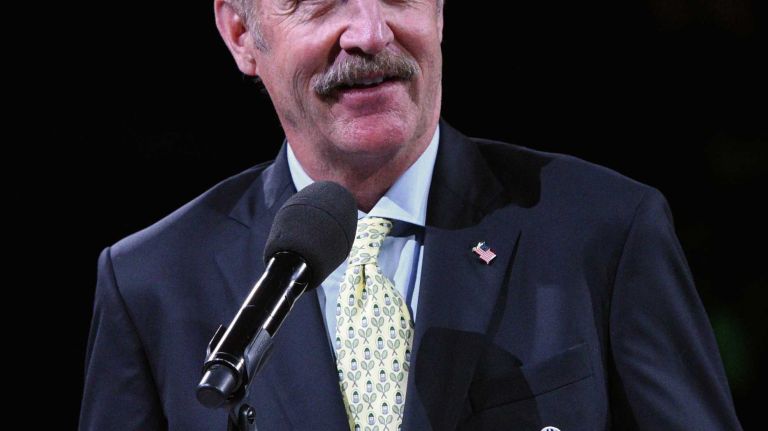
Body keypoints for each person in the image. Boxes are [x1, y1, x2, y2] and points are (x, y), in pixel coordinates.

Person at [79, 0, 743, 430]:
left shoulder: (607, 230)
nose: (370, 32)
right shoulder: (151, 282)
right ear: (241, 34)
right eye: (320, 3)